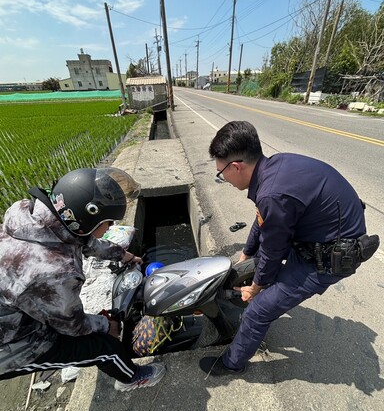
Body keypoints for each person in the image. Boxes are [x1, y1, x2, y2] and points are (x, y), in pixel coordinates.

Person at [200, 120, 379, 376]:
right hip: (317, 232)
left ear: (236, 167)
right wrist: (247, 253)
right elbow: (264, 218)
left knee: (258, 312)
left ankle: (232, 364)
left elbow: (273, 248)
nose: (223, 178)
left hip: (329, 257)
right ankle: (270, 288)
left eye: (221, 173)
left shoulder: (273, 193)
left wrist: (257, 287)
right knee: (263, 263)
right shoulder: (274, 167)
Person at [0, 167, 166, 392]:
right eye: (109, 223)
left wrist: (122, 255)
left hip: (15, 309)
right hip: (11, 344)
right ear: (88, 218)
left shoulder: (35, 220)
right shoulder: (54, 271)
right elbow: (73, 325)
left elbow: (84, 241)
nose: (112, 227)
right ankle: (132, 378)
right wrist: (108, 325)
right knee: (105, 347)